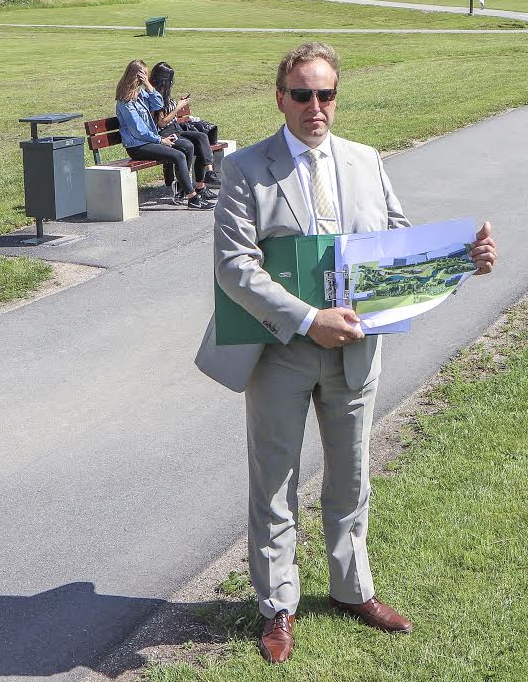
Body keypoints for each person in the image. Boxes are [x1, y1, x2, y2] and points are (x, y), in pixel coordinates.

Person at [194, 42, 498, 664]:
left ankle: (351, 589)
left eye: (325, 94)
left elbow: (395, 248)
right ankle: (278, 605)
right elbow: (233, 267)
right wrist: (309, 318)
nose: (315, 107)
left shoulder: (366, 161)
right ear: (280, 98)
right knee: (274, 481)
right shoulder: (246, 168)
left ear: (337, 98)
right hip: (280, 351)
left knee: (351, 474)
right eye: (302, 94)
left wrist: (461, 261)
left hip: (356, 352)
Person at [114, 60, 215, 210]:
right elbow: (139, 131)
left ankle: (185, 190)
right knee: (178, 155)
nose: (147, 77)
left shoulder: (141, 94)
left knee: (186, 148)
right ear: (137, 76)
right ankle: (193, 198)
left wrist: (148, 85)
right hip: (137, 146)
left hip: (149, 141)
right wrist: (161, 140)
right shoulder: (126, 102)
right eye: (144, 75)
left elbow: (158, 104)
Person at [148, 61, 221, 201]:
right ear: (164, 79)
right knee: (189, 146)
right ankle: (185, 187)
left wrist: (178, 104)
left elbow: (169, 115)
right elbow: (161, 122)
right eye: (170, 80)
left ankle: (207, 176)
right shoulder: (154, 95)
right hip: (165, 133)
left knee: (201, 137)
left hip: (176, 128)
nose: (171, 83)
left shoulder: (164, 92)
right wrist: (178, 107)